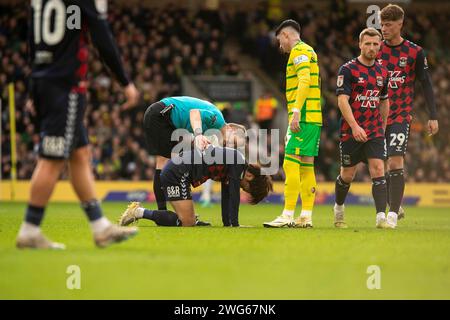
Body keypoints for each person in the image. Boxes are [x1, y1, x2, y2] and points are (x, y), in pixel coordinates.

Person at [16, 0, 140, 249]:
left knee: (80, 155)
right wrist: (124, 82)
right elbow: (101, 34)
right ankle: (30, 229)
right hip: (65, 86)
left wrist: (34, 86)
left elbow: (33, 40)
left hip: (45, 80)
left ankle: (100, 227)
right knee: (51, 161)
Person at [377, 4, 439, 225]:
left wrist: (433, 115)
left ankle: (392, 214)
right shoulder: (375, 49)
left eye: (388, 24)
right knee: (377, 164)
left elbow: (426, 84)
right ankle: (396, 203)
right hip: (376, 117)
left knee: (395, 161)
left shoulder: (414, 52)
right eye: (382, 24)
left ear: (400, 24)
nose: (384, 28)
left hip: (401, 116)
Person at [118, 146, 273, 227]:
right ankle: (138, 212)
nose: (242, 188)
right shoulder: (238, 163)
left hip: (177, 172)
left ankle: (141, 212)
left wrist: (228, 224)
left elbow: (227, 195)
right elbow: (233, 195)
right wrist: (236, 225)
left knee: (185, 221)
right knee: (187, 222)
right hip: (178, 173)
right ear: (249, 176)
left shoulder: (235, 164)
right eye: (246, 187)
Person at [263, 19, 322, 228]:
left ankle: (287, 214)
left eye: (280, 40)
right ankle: (305, 216)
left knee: (290, 163)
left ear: (287, 35)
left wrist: (296, 112)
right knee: (306, 167)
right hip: (313, 117)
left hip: (304, 118)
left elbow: (305, 80)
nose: (280, 45)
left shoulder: (299, 51)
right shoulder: (309, 51)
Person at [143, 96, 246, 214]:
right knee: (165, 162)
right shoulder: (218, 120)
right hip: (162, 114)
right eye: (234, 141)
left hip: (165, 117)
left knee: (176, 164)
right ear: (231, 129)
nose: (231, 145)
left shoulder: (213, 132)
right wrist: (198, 135)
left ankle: (171, 212)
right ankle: (162, 212)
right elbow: (194, 113)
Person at [333, 28, 390, 229]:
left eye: (375, 44)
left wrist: (382, 127)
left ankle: (381, 218)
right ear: (360, 44)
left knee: (378, 169)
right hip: (351, 131)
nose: (372, 47)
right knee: (348, 175)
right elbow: (342, 101)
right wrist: (355, 126)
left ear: (380, 45)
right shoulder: (347, 70)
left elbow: (384, 101)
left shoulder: (383, 72)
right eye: (368, 43)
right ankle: (338, 208)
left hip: (374, 131)